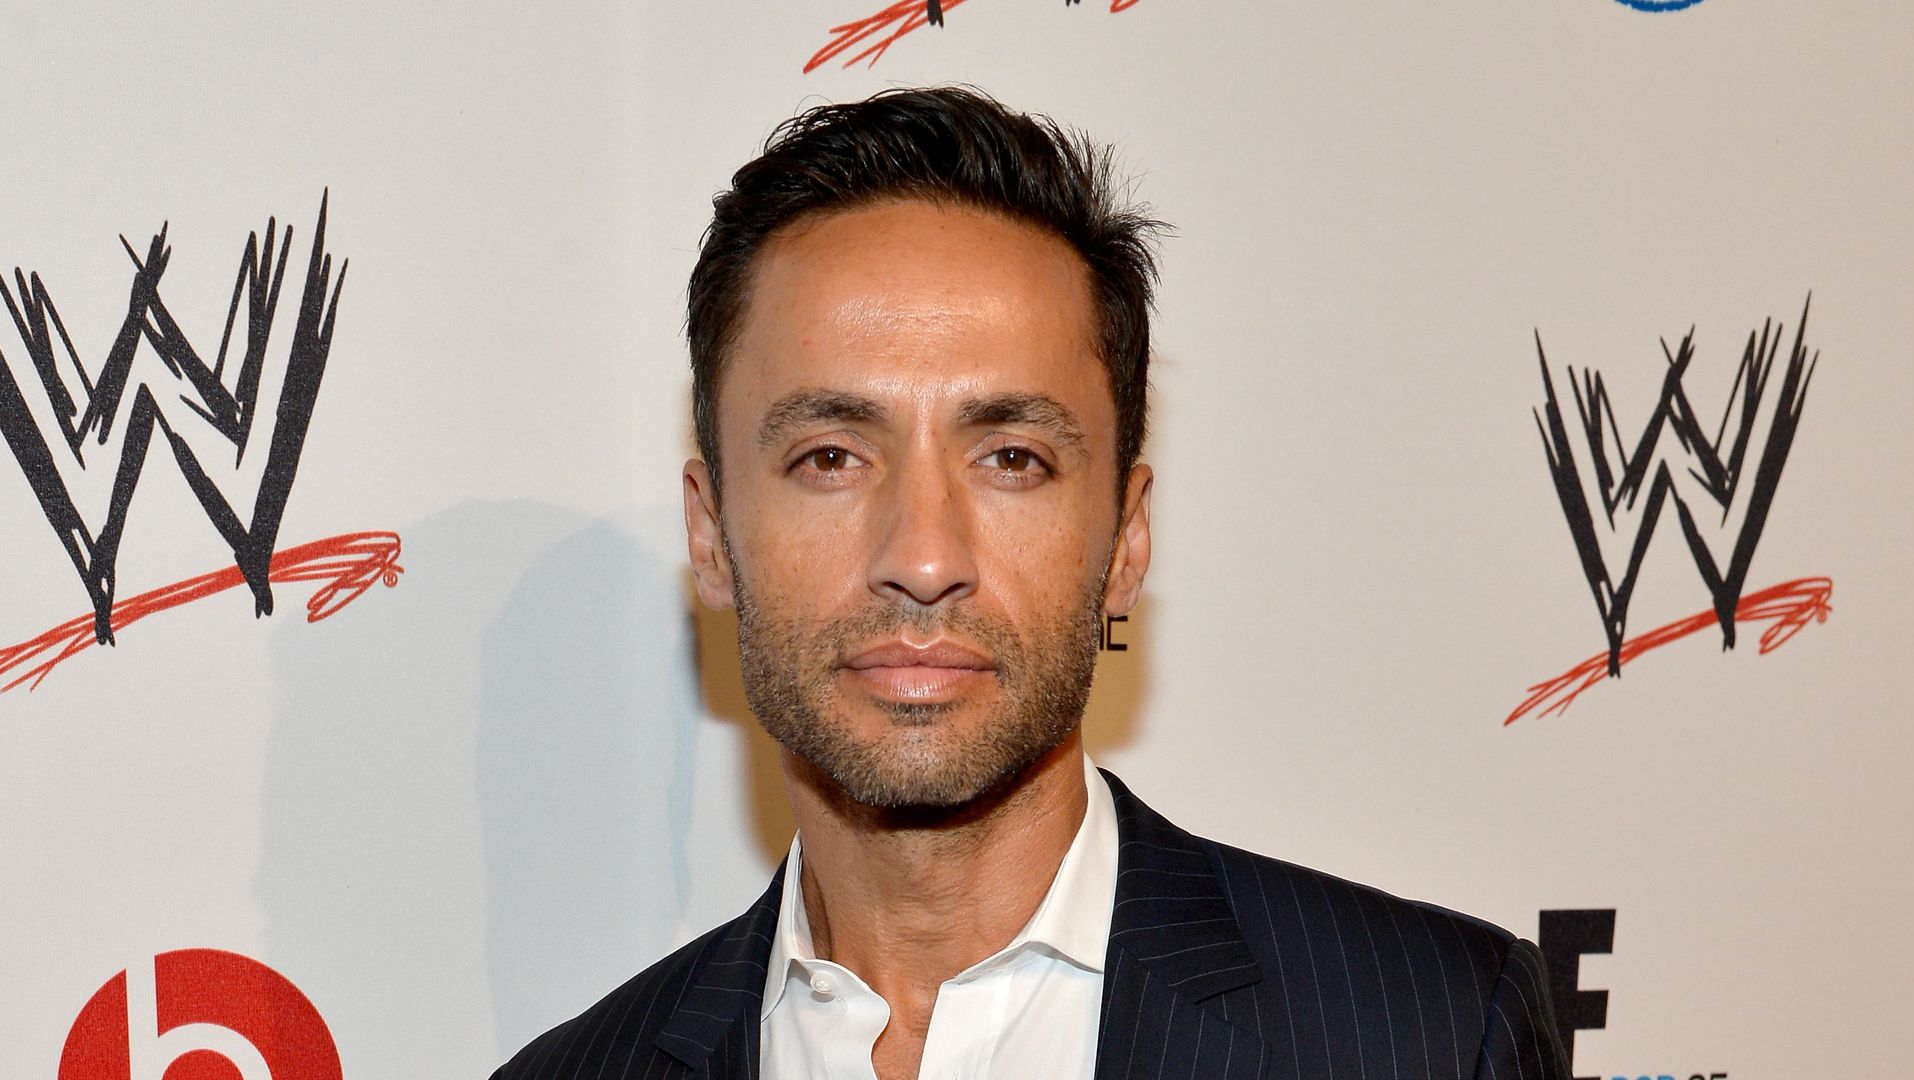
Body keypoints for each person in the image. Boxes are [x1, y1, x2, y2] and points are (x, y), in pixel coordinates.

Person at [492, 86, 1569, 1080]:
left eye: (1011, 458)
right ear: (712, 535)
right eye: (831, 457)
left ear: (1126, 541)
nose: (924, 560)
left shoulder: (1428, 1034)